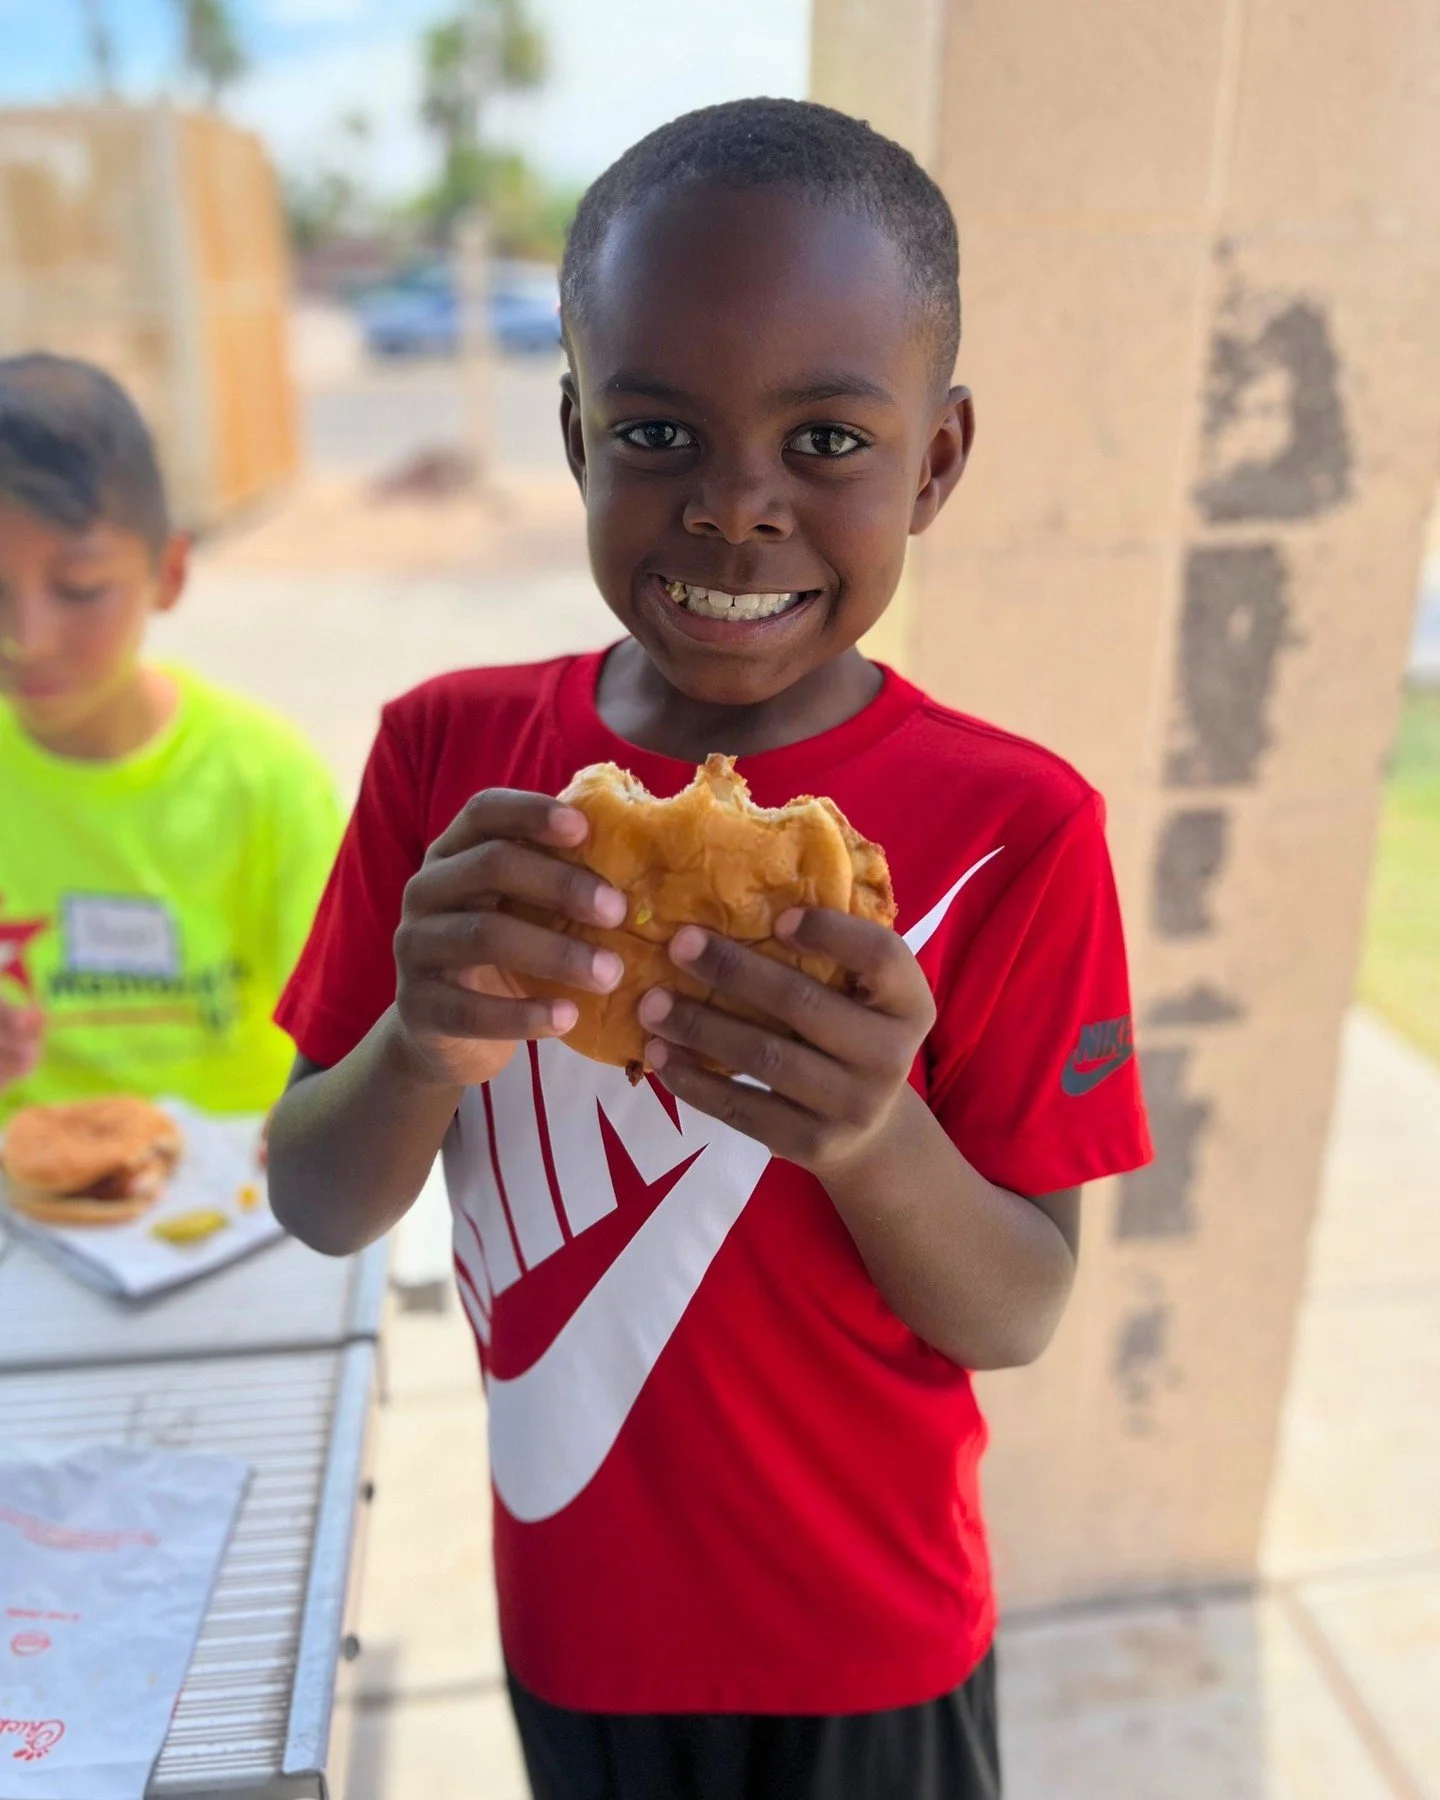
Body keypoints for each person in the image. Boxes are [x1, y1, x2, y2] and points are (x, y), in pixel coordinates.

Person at [269, 99, 1153, 1800]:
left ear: (939, 460)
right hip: (577, 1619)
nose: (736, 511)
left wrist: (874, 1136)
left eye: (826, 441)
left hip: (869, 1644)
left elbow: (1021, 1303)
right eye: (659, 432)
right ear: (576, 434)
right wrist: (423, 1047)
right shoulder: (451, 761)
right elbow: (316, 1195)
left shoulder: (1015, 832)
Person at [0, 353, 342, 1120]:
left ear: (170, 571)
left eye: (80, 590)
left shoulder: (264, 779)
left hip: (240, 1200)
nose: (27, 637)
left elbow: (347, 1038)